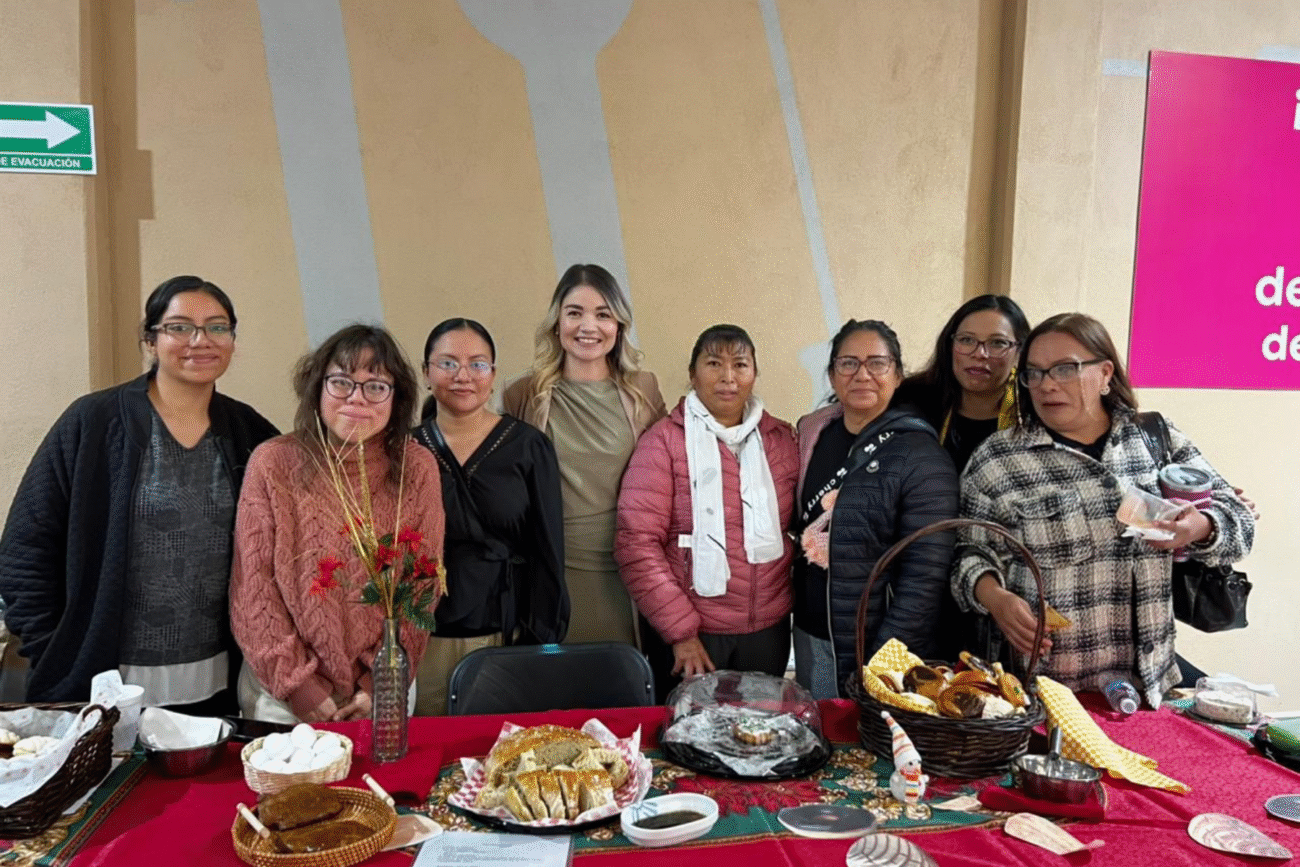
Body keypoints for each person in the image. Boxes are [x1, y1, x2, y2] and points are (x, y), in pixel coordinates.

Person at [0, 275, 278, 709]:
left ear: (232, 340)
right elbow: (25, 543)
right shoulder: (93, 423)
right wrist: (51, 645)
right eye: (179, 327)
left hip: (217, 680)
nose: (200, 340)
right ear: (150, 340)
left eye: (218, 327)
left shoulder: (250, 433)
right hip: (102, 681)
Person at [952, 313, 1255, 707]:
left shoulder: (1153, 439)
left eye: (1065, 369)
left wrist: (1200, 525)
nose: (1047, 385)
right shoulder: (999, 460)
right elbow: (967, 554)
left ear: (1105, 372)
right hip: (1047, 688)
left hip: (1148, 684)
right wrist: (995, 599)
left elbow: (1239, 517)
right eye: (1034, 373)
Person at [230, 324, 444, 723]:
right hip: (282, 695)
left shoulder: (417, 466)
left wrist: (378, 683)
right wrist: (298, 686)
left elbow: (422, 586)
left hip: (383, 689)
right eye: (342, 382)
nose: (357, 398)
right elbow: (253, 587)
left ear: (396, 398)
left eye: (376, 386)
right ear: (318, 387)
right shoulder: (273, 462)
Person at [616, 325, 796, 698]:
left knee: (760, 738)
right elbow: (637, 543)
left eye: (740, 365)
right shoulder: (663, 442)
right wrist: (680, 632)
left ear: (754, 374)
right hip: (694, 636)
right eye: (714, 363)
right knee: (690, 738)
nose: (728, 378)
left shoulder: (780, 440)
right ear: (693, 374)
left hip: (769, 631)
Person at [792, 320, 958, 700]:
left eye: (877, 363)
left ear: (897, 375)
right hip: (809, 629)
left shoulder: (921, 455)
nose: (862, 374)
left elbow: (926, 576)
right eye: (848, 363)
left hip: (873, 641)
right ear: (832, 375)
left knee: (865, 748)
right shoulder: (812, 435)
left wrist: (884, 659)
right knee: (818, 732)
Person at [503, 264, 666, 646]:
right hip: (554, 566)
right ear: (557, 322)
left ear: (619, 325)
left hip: (628, 566)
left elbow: (663, 479)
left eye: (603, 314)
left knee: (623, 686)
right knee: (560, 690)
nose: (587, 326)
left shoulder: (644, 389)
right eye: (574, 313)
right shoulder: (522, 394)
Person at [411, 318, 567, 715]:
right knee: (429, 747)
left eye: (477, 364)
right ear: (426, 373)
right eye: (447, 364)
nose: (463, 376)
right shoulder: (406, 449)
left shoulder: (529, 446)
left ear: (493, 375)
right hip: (421, 636)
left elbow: (548, 550)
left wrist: (541, 640)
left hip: (506, 631)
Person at [893, 294, 1031, 473]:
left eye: (998, 343)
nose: (980, 354)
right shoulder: (913, 400)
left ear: (1020, 352)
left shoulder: (1032, 414)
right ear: (949, 345)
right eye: (966, 340)